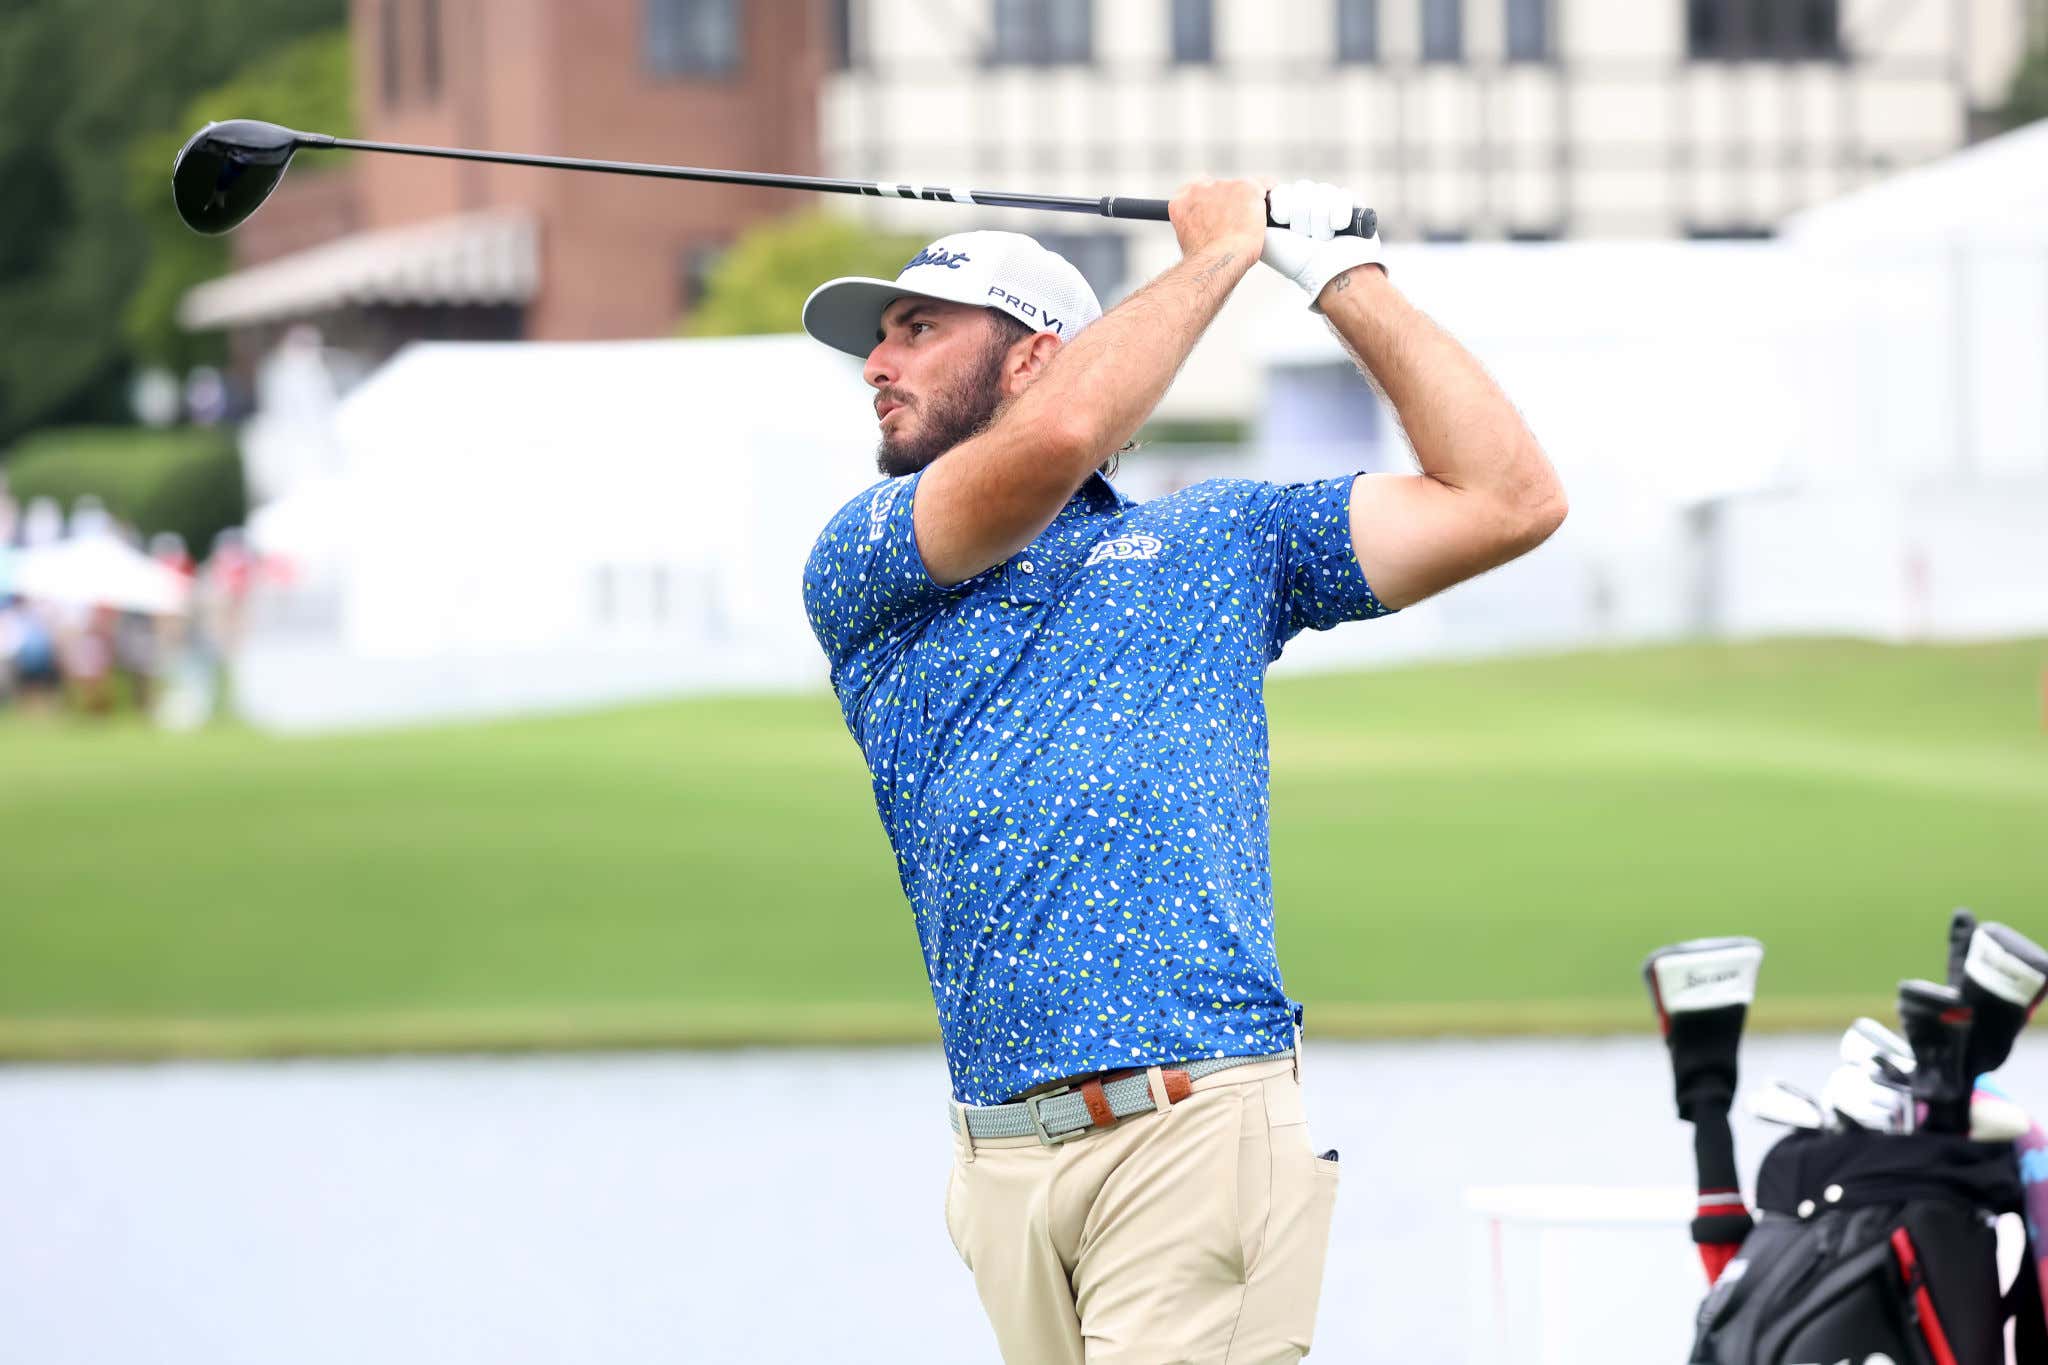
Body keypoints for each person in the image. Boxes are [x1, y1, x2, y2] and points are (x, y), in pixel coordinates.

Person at [799, 179, 1566, 1363]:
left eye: (918, 330)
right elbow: (1057, 441)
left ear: (1031, 357)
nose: (876, 365)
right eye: (880, 338)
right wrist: (1218, 257)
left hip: (1193, 1126)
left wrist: (1333, 277)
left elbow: (1507, 499)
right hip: (998, 1166)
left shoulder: (1219, 541)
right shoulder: (865, 554)